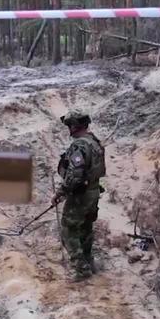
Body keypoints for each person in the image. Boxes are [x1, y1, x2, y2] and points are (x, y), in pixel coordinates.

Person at [51, 110, 106, 282]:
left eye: (69, 125)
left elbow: (75, 175)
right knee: (86, 228)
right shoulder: (94, 141)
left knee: (68, 230)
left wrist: (61, 192)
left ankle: (82, 270)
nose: (69, 129)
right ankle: (89, 262)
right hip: (93, 192)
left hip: (81, 195)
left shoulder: (79, 146)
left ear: (75, 126)